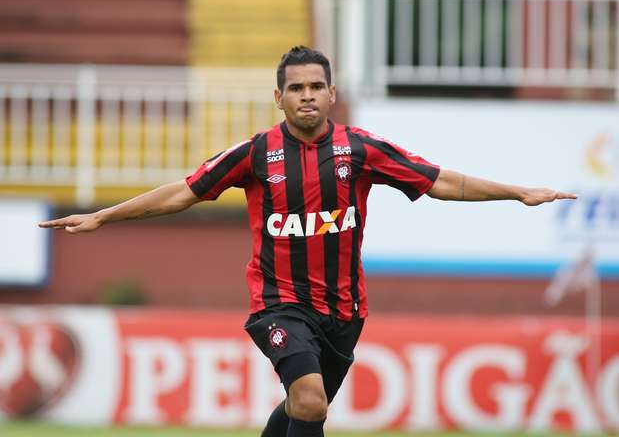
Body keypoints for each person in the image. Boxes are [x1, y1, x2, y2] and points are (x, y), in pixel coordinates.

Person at [39, 46, 576, 436]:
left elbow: (441, 181)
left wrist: (517, 192)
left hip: (346, 309)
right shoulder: (254, 153)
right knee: (312, 401)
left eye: (316, 86)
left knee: (302, 409)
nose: (306, 96)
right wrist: (104, 217)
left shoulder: (362, 150)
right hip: (279, 304)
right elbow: (184, 192)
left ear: (331, 93)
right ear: (279, 97)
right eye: (295, 88)